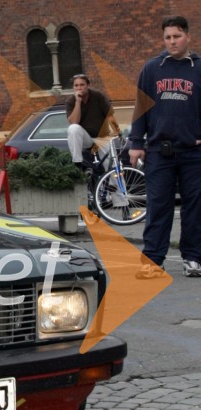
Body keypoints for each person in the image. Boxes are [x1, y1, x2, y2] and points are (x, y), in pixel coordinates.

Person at [129, 15, 201, 278]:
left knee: (195, 207)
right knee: (159, 207)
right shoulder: (152, 69)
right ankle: (153, 260)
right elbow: (140, 108)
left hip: (193, 152)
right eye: (168, 37)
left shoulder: (199, 68)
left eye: (177, 36)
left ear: (188, 37)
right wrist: (136, 143)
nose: (172, 41)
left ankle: (193, 258)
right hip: (159, 150)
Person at [66, 74, 121, 170]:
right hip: (86, 139)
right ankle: (78, 162)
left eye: (82, 85)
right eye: (76, 85)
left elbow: (109, 115)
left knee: (113, 164)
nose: (79, 88)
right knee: (73, 128)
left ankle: (115, 185)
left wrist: (118, 131)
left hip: (102, 136)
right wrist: (78, 102)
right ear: (73, 87)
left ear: (88, 85)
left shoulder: (98, 96)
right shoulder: (71, 101)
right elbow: (74, 122)